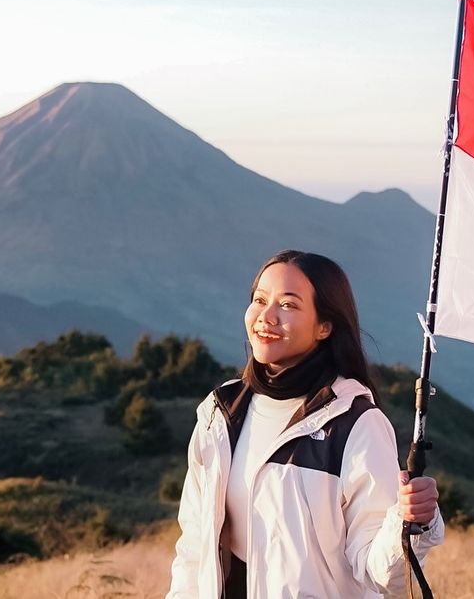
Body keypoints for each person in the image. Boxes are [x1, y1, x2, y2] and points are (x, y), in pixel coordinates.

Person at [167, 249, 444, 599]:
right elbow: (194, 546)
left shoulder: (355, 423)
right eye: (260, 300)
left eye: (289, 305)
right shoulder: (220, 413)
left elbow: (381, 575)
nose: (267, 316)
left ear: (324, 327)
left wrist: (409, 522)